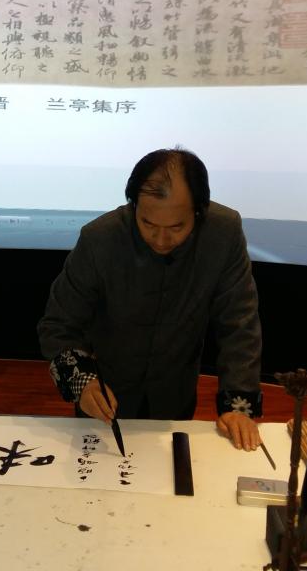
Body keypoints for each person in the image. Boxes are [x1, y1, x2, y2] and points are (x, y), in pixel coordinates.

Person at [37, 147, 262, 451]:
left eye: (176, 227)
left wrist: (238, 406)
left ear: (199, 211)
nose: (161, 240)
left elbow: (239, 323)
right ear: (134, 206)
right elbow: (58, 325)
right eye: (148, 224)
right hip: (104, 394)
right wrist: (83, 384)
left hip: (175, 393)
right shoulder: (100, 239)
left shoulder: (223, 234)